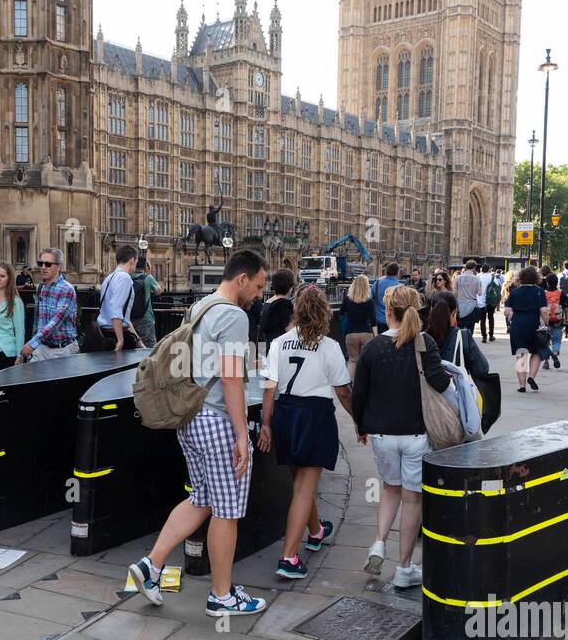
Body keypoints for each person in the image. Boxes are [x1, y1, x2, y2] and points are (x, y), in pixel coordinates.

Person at [126, 249, 270, 617]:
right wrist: (242, 435)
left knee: (202, 497)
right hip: (218, 421)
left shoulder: (200, 307)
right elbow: (231, 377)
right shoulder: (235, 316)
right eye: (257, 286)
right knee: (228, 509)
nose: (259, 295)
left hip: (189, 417)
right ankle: (221, 597)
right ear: (242, 279)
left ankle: (151, 566)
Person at [351, 285, 449, 589]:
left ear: (388, 311)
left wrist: (361, 426)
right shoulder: (425, 343)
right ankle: (405, 567)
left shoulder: (372, 347)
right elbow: (440, 383)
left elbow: (359, 393)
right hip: (417, 434)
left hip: (382, 433)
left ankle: (379, 542)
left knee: (389, 490)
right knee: (412, 498)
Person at [258, 286, 353, 580]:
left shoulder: (280, 342)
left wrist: (265, 423)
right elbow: (342, 391)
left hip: (285, 415)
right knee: (303, 487)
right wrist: (359, 422)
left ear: (296, 310)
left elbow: (269, 388)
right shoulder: (329, 347)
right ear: (325, 312)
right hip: (314, 416)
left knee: (301, 482)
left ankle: (316, 531)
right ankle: (288, 558)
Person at [21, 247, 79, 361]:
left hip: (63, 350)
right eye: (40, 263)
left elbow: (55, 321)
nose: (43, 267)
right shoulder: (40, 287)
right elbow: (37, 321)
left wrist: (32, 343)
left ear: (58, 267)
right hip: (41, 348)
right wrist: (33, 345)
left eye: (48, 264)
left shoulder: (66, 289)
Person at [504, 267, 549, 393]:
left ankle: (522, 386)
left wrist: (512, 313)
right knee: (537, 352)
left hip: (518, 325)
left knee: (521, 354)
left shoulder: (515, 292)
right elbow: (544, 310)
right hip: (534, 325)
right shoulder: (539, 291)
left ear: (521, 278)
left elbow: (507, 311)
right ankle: (532, 377)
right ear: (536, 278)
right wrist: (546, 322)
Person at [92, 245, 144, 352]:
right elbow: (116, 310)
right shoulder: (125, 278)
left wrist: (139, 341)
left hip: (104, 334)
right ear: (132, 261)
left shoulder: (109, 278)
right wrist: (120, 340)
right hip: (116, 336)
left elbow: (124, 317)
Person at [426, 290, 490, 377]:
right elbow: (482, 369)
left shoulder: (422, 337)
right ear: (454, 312)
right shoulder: (463, 336)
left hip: (426, 389)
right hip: (454, 388)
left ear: (431, 310)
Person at [342, 274, 376, 377]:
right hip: (366, 333)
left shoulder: (348, 299)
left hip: (351, 333)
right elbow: (373, 320)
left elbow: (341, 313)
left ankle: (350, 385)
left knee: (352, 361)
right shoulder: (369, 301)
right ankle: (363, 385)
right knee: (365, 362)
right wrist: (376, 335)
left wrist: (345, 326)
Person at [258, 268, 296, 347]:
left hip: (266, 346)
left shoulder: (267, 302)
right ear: (290, 286)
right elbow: (291, 332)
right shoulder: (283, 304)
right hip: (278, 348)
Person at [130, 256, 163, 348]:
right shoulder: (148, 278)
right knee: (149, 349)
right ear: (145, 266)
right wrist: (149, 272)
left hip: (129, 320)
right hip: (146, 318)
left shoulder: (128, 277)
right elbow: (159, 291)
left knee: (132, 349)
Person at [541, 271, 564, 369]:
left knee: (545, 341)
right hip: (558, 319)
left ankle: (546, 362)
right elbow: (566, 307)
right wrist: (567, 318)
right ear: (557, 282)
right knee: (557, 341)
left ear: (547, 283)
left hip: (546, 320)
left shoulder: (543, 293)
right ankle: (555, 353)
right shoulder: (561, 293)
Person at [370, 263, 402, 334]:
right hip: (395, 321)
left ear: (386, 271)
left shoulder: (377, 283)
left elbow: (371, 299)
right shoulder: (400, 287)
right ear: (397, 272)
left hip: (379, 320)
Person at [455, 260, 483, 332]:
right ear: (474, 268)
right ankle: (468, 342)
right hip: (471, 306)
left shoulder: (458, 278)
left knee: (459, 328)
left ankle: (461, 342)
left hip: (460, 305)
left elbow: (455, 293)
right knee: (470, 328)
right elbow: (479, 293)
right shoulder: (476, 278)